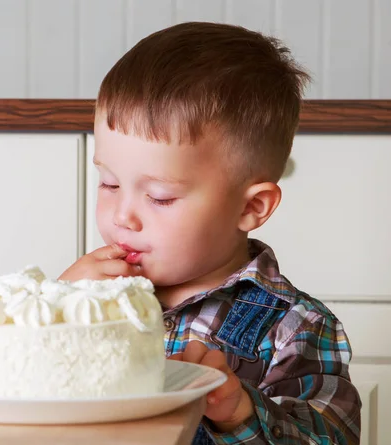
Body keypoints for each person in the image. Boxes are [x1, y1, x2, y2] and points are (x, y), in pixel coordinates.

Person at [59, 22, 361, 444]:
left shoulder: (296, 327)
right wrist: (54, 310)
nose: (122, 215)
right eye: (109, 183)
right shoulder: (90, 294)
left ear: (251, 207)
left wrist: (238, 414)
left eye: (160, 197)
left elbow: (333, 437)